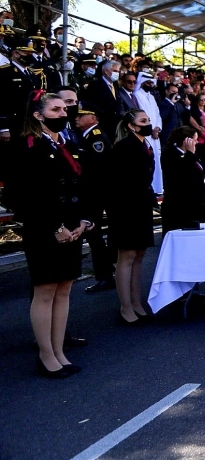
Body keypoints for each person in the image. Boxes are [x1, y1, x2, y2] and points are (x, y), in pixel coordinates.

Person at [9, 91, 93, 378]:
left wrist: (83, 220)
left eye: (64, 109)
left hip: (72, 227)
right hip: (44, 228)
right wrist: (55, 227)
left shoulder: (68, 143)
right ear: (38, 114)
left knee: (65, 288)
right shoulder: (27, 146)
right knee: (45, 291)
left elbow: (82, 187)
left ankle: (59, 351)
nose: (62, 114)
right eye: (55, 110)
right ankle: (46, 355)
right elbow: (21, 196)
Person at [109, 109, 156, 325]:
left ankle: (137, 303)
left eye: (148, 120)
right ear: (131, 125)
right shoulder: (124, 147)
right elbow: (119, 182)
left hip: (142, 207)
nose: (147, 124)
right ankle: (125, 307)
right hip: (126, 209)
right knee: (126, 257)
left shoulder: (146, 146)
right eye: (143, 121)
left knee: (139, 256)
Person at [74, 102, 116, 293]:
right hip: (95, 193)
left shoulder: (95, 138)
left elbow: (98, 170)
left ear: (93, 118)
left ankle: (105, 275)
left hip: (95, 194)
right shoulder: (86, 136)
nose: (76, 118)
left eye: (81, 115)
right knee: (94, 236)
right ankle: (106, 273)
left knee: (94, 235)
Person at [160, 126, 205, 235]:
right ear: (187, 140)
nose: (196, 143)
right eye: (194, 140)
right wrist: (190, 154)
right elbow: (182, 174)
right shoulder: (171, 154)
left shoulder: (193, 154)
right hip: (180, 207)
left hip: (196, 205)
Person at [133, 72, 163, 194]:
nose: (151, 84)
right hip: (145, 133)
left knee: (156, 160)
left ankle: (157, 188)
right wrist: (150, 129)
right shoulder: (137, 95)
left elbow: (157, 115)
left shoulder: (151, 97)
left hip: (155, 134)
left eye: (152, 82)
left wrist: (157, 128)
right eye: (148, 82)